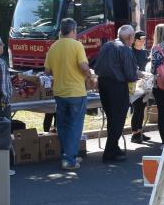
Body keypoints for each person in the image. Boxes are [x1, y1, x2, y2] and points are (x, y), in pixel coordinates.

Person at [44, 17, 90, 170]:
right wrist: (91, 75)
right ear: (74, 30)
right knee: (75, 126)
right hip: (76, 91)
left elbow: (47, 70)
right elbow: (83, 65)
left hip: (60, 92)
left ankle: (69, 155)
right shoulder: (77, 45)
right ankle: (69, 159)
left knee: (63, 126)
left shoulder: (54, 46)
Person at [94, 25, 139, 162]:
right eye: (133, 37)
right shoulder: (124, 49)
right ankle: (109, 152)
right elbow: (131, 75)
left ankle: (114, 148)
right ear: (130, 37)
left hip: (103, 84)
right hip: (117, 86)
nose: (133, 39)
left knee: (111, 118)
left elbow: (96, 68)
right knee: (118, 120)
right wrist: (139, 74)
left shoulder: (107, 45)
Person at [129, 30, 151, 144]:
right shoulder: (130, 52)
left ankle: (139, 131)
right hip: (134, 84)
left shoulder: (145, 52)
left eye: (144, 39)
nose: (142, 41)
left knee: (142, 108)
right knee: (137, 108)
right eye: (140, 39)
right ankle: (134, 134)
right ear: (135, 40)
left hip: (144, 83)